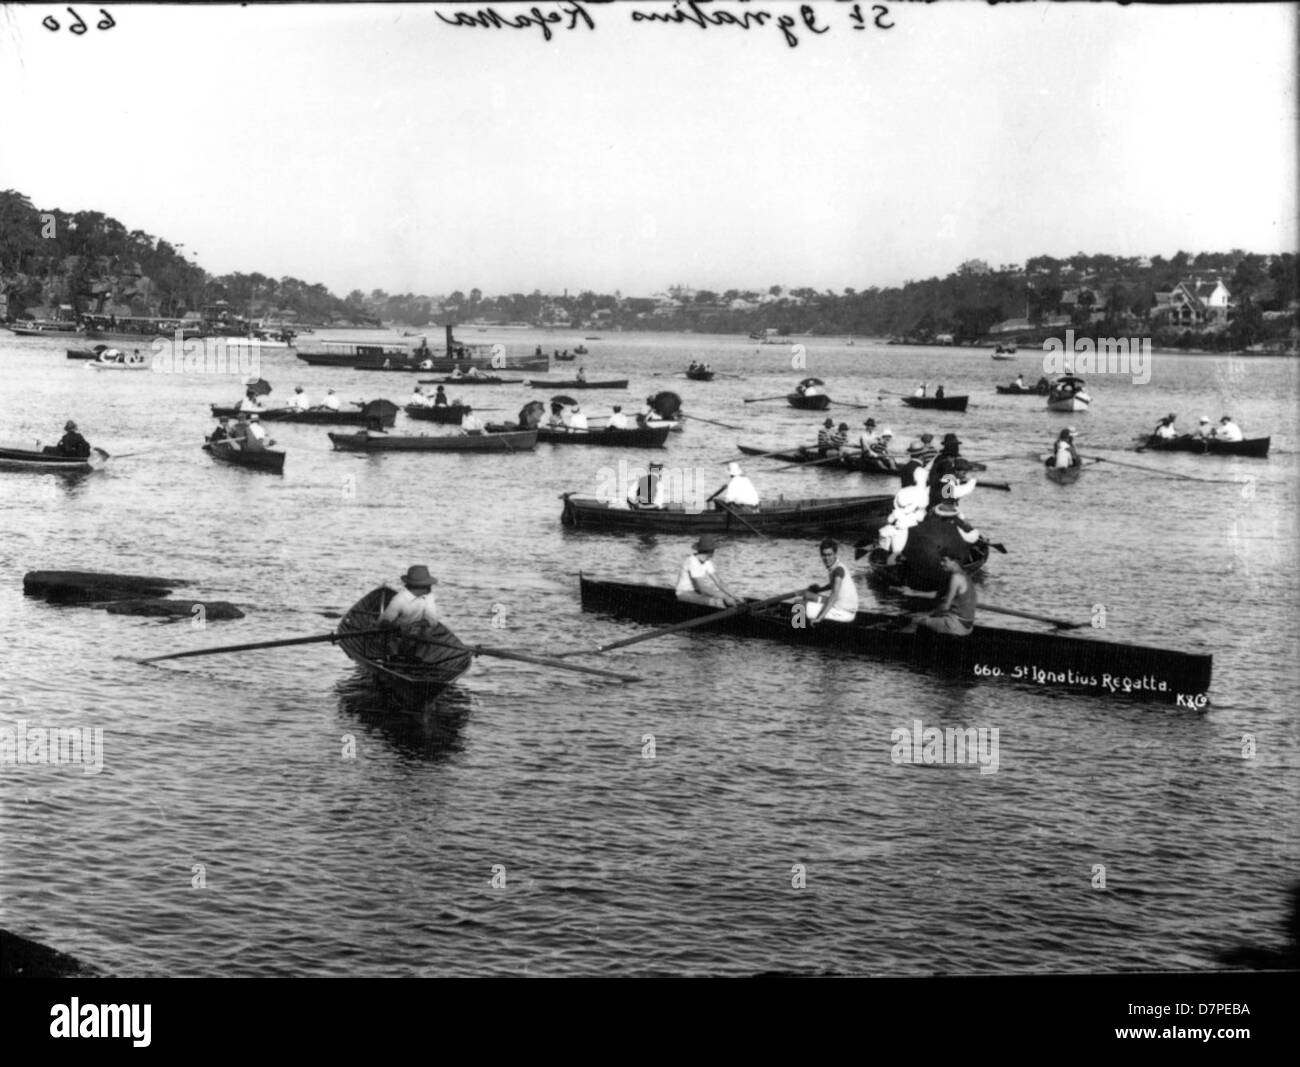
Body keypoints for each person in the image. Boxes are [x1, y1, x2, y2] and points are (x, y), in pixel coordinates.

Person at [901, 549, 976, 635]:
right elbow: (937, 594)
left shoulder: (956, 578)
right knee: (923, 618)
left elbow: (945, 606)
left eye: (944, 560)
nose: (941, 563)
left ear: (954, 562)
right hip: (967, 626)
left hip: (956, 625)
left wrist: (926, 614)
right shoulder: (964, 575)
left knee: (915, 620)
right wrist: (912, 592)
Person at [379, 565, 442, 662]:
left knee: (427, 631)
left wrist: (416, 625)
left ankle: (417, 658)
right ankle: (394, 658)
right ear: (418, 586)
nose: (430, 586)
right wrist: (399, 629)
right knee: (390, 638)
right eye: (427, 584)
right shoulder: (399, 600)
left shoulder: (429, 597)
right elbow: (384, 622)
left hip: (416, 636)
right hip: (397, 636)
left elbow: (432, 620)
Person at [875, 465, 930, 564]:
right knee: (896, 553)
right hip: (910, 525)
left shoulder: (903, 491)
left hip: (900, 524)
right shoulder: (924, 492)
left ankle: (889, 561)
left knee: (894, 552)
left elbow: (895, 510)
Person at [803, 538, 858, 626]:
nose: (827, 558)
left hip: (844, 613)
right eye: (824, 555)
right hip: (844, 608)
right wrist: (820, 589)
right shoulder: (837, 566)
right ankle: (802, 622)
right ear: (821, 555)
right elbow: (834, 584)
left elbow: (834, 595)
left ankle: (797, 628)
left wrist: (819, 618)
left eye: (829, 555)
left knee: (799, 605)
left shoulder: (838, 570)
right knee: (808, 596)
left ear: (835, 554)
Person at [675, 535, 741, 608]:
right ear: (711, 551)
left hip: (697, 593)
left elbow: (719, 582)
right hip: (684, 594)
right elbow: (702, 588)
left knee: (725, 598)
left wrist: (733, 595)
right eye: (714, 549)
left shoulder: (707, 561)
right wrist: (724, 596)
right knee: (719, 602)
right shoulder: (692, 561)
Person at [928, 433, 979, 509]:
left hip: (936, 499)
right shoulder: (946, 465)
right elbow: (949, 491)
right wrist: (972, 482)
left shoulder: (940, 459)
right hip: (941, 505)